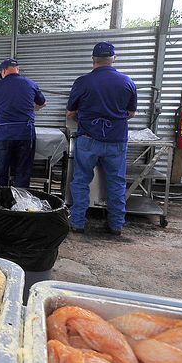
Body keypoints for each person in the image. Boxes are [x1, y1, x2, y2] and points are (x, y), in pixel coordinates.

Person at [66, 42, 137, 236]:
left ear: (93, 60)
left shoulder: (83, 82)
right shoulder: (127, 82)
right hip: (116, 140)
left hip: (88, 139)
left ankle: (78, 222)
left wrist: (84, 117)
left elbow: (70, 113)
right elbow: (131, 113)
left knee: (81, 180)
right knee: (116, 183)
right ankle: (116, 225)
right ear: (113, 59)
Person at [0, 58, 46, 187]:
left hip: (3, 135)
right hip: (25, 134)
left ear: (3, 71)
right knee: (23, 172)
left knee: (0, 172)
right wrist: (31, 107)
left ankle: (0, 203)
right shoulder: (31, 84)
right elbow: (42, 103)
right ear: (17, 69)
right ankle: (20, 204)